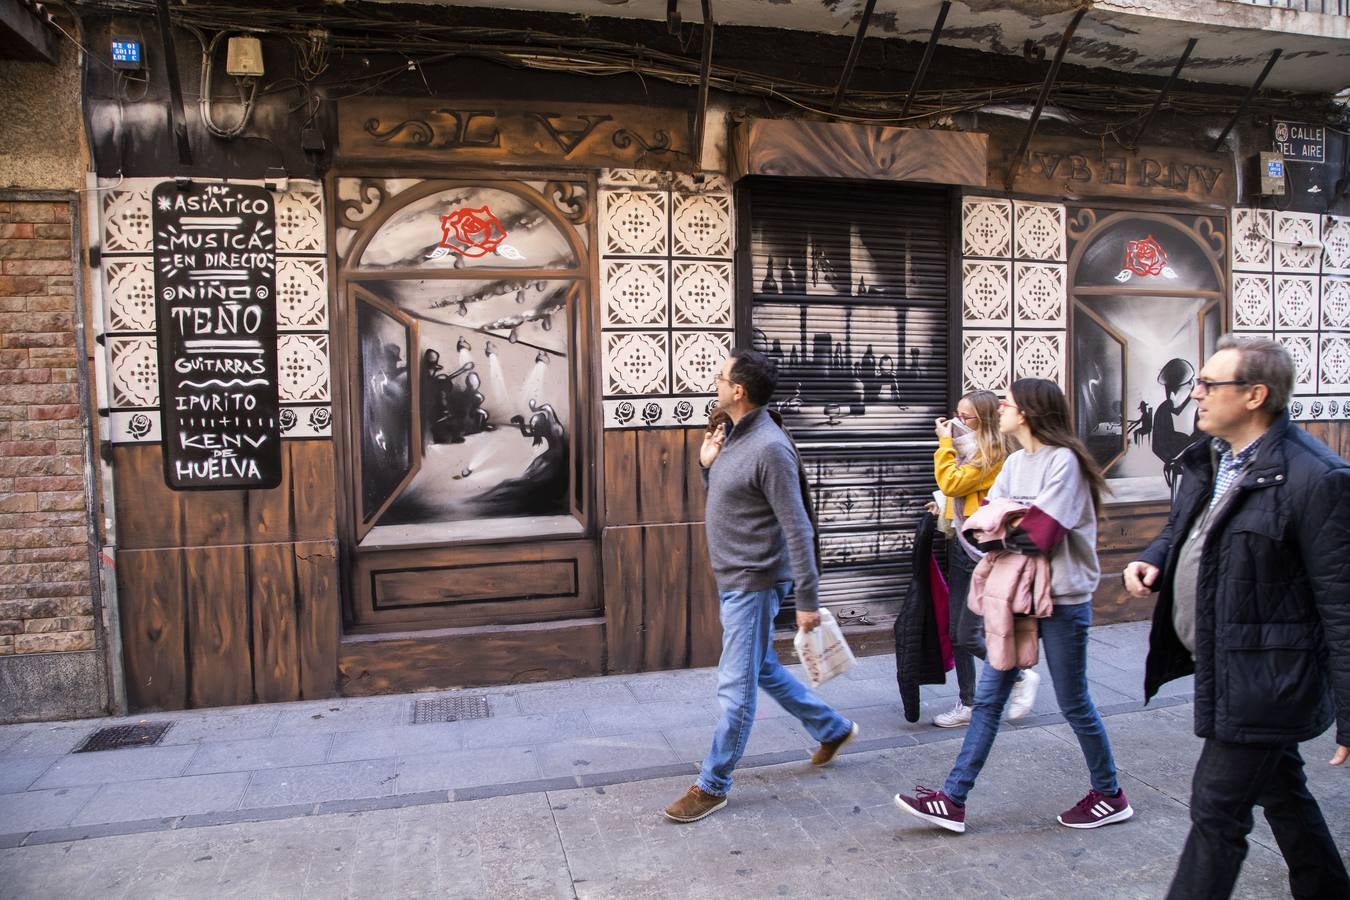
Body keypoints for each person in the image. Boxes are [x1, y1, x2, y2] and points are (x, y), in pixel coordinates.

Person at [1124, 335, 1349, 899]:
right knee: (1282, 789)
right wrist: (1153, 558)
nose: (1195, 395)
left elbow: (1341, 603)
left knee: (1216, 812)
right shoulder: (1210, 458)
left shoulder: (1317, 478)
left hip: (1269, 676)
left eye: (1208, 385)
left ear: (1254, 395)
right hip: (1222, 661)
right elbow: (1184, 529)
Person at [895, 378, 1131, 833]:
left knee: (1074, 702)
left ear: (1027, 412)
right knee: (987, 701)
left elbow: (1038, 533)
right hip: (1015, 595)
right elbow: (979, 529)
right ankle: (953, 799)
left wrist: (1006, 519)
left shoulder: (1066, 464)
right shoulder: (1015, 463)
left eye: (1007, 403)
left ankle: (1109, 794)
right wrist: (1007, 520)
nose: (999, 408)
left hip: (1063, 597)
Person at [664, 349, 858, 824]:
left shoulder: (769, 446)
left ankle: (713, 784)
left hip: (755, 580)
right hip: (735, 578)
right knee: (762, 668)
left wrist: (809, 600)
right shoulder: (735, 437)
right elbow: (732, 500)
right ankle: (830, 728)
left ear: (739, 390)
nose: (715, 380)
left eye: (721, 376)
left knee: (736, 687)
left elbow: (798, 527)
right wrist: (707, 464)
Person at [925, 390, 1036, 728]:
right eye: (957, 414)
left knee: (969, 633)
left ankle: (1019, 676)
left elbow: (953, 482)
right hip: (961, 543)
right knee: (957, 631)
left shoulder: (993, 452)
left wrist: (944, 444)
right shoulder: (972, 448)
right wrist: (943, 507)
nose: (958, 422)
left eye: (967, 417)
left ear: (986, 420)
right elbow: (960, 494)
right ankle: (969, 700)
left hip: (982, 549)